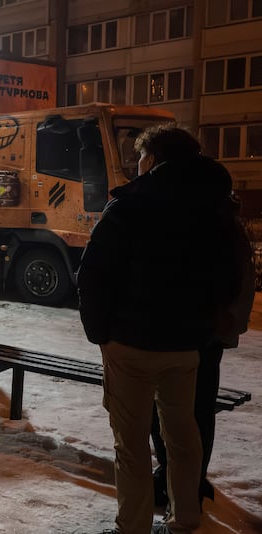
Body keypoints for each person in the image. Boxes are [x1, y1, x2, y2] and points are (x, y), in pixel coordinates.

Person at [77, 125, 241, 534]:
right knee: (183, 435)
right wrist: (201, 324)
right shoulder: (216, 208)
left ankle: (132, 526)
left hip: (130, 344)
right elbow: (228, 278)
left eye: (141, 158)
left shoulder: (131, 206)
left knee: (131, 444)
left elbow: (94, 276)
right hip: (187, 347)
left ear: (154, 159)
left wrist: (101, 334)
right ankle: (186, 519)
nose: (137, 166)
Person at [148, 162, 256, 509]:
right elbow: (240, 282)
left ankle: (177, 481)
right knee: (198, 411)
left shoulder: (196, 222)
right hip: (209, 336)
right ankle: (192, 479)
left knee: (170, 411)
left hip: (186, 334)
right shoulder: (227, 222)